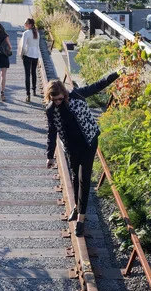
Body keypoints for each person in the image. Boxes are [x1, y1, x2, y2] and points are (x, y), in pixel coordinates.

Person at [45, 73, 121, 236]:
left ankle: (81, 219)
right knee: (75, 176)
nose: (58, 102)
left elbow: (97, 85)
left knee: (84, 178)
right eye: (54, 100)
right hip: (71, 147)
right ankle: (76, 207)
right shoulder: (51, 110)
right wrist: (50, 155)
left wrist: (116, 73)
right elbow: (52, 132)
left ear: (64, 94)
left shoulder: (76, 95)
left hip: (88, 143)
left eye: (60, 99)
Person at [19, 18, 41, 102]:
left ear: (30, 25)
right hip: (35, 55)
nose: (25, 24)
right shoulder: (37, 33)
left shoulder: (26, 33)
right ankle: (34, 90)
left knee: (27, 75)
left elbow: (24, 46)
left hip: (27, 54)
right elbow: (37, 45)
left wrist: (22, 54)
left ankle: (28, 94)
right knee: (34, 72)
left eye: (26, 23)